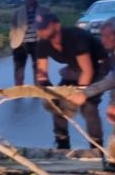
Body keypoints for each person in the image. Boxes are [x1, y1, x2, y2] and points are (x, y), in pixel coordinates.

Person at [33, 11, 108, 149]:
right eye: (38, 27)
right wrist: (48, 91)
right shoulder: (43, 43)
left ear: (57, 25)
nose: (40, 31)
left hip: (99, 65)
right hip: (75, 67)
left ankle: (97, 147)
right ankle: (62, 143)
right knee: (57, 103)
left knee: (89, 106)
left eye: (44, 27)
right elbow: (41, 72)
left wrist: (81, 93)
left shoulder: (75, 37)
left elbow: (88, 71)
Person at [68, 17, 115, 162]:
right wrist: (114, 102)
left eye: (107, 36)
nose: (103, 40)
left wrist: (84, 93)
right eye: (102, 36)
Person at [9, 0, 53, 85]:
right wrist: (13, 41)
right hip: (21, 43)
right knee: (19, 68)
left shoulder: (45, 10)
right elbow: (13, 28)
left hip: (38, 43)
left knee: (38, 68)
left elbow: (51, 26)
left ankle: (37, 90)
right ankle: (18, 90)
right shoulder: (17, 12)